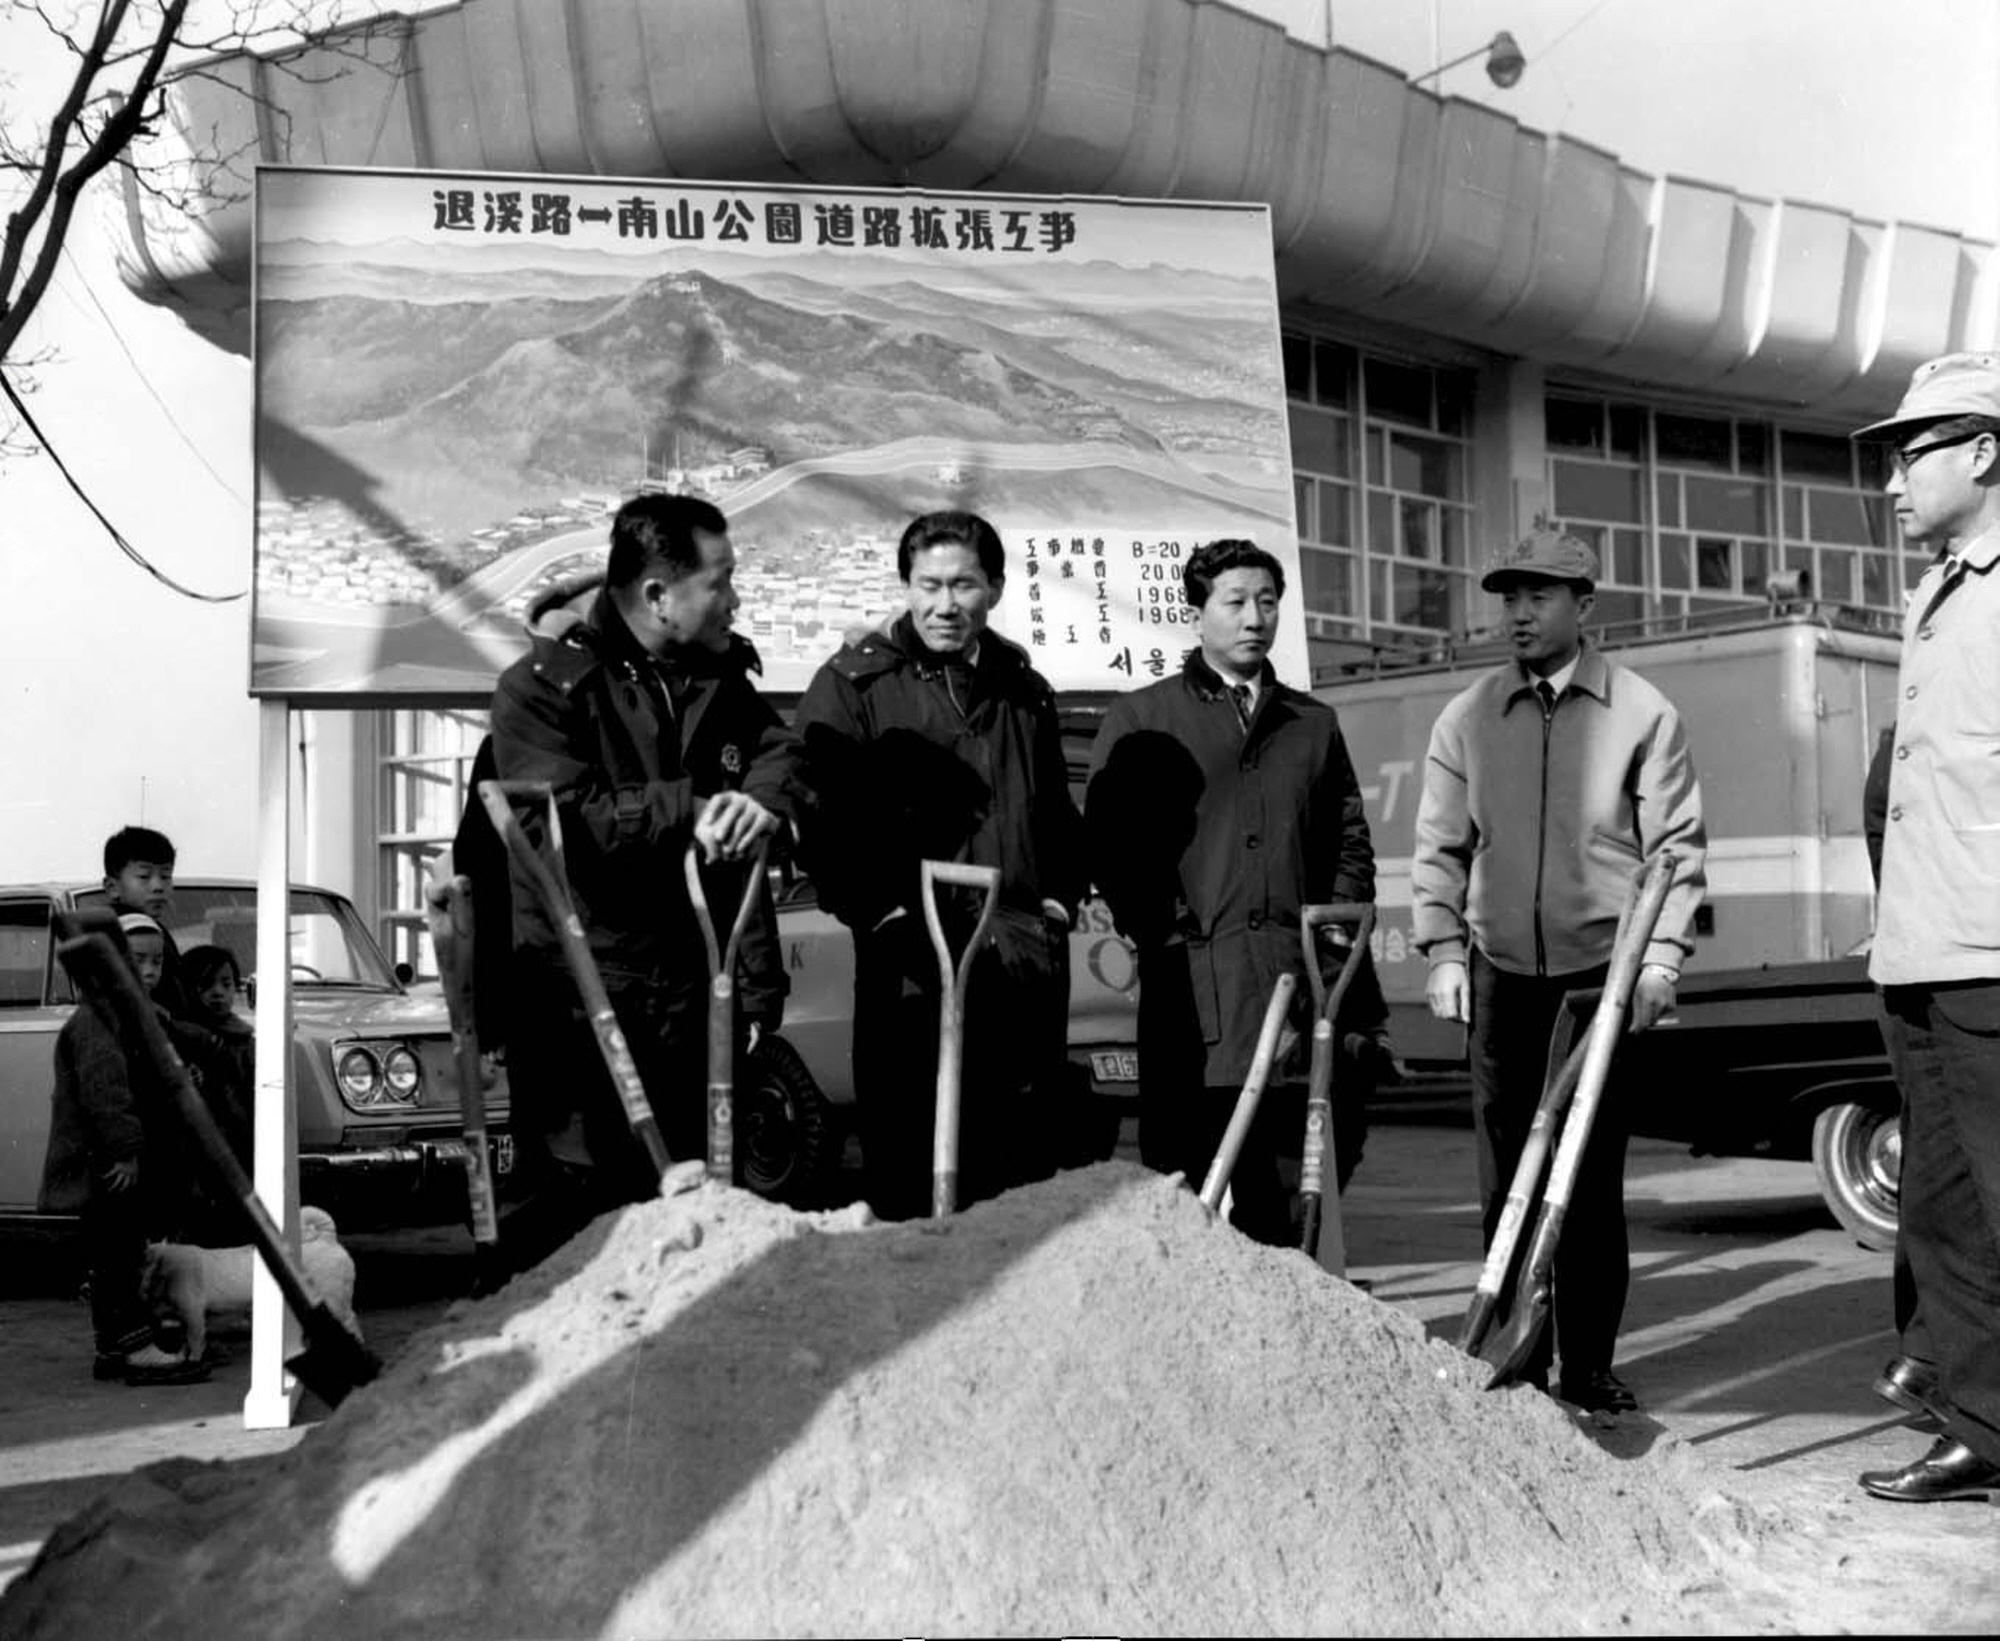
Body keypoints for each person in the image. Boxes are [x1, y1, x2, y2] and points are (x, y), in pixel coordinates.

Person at [1411, 527, 1707, 1412]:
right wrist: (1438, 950)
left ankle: (1586, 1364)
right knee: (1506, 1170)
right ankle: (1519, 1355)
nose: (1519, 613)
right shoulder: (1468, 716)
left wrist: (1659, 960)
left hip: (1599, 982)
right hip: (1499, 970)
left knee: (1587, 1176)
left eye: (1539, 596)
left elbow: (1677, 851)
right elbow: (1440, 843)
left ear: (1585, 606)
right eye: (1509, 597)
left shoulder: (1643, 713)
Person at [486, 494, 805, 1215]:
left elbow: (782, 752)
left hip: (696, 1002)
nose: (734, 597)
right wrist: (687, 811)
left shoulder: (718, 681)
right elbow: (558, 826)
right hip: (589, 1010)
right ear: (659, 594)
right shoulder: (543, 690)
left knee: (694, 1219)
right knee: (589, 1225)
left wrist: (759, 802)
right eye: (719, 580)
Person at [1086, 538, 1380, 1245]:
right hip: (1191, 988)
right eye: (1236, 601)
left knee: (1289, 1195)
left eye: (1268, 601)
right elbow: (1111, 844)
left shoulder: (1311, 725)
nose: (1255, 617)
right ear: (1197, 612)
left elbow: (1348, 840)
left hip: (1296, 980)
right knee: (1187, 1192)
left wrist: (1333, 934)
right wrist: (1159, 928)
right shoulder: (1145, 715)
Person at [793, 509, 1085, 1220]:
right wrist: (881, 912)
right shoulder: (854, 684)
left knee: (1015, 1164)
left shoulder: (1023, 688)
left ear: (995, 588)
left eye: (963, 585)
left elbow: (1052, 811)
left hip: (1018, 953)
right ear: (905, 585)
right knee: (910, 1154)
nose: (944, 604)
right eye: (928, 585)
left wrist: (1057, 901)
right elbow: (818, 815)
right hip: (910, 959)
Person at [1850, 353, 2000, 1504]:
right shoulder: (1942, 585)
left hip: (1989, 957)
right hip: (1921, 948)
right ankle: (1978, 1423)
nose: (1892, 481)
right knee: (1941, 1208)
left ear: (1982, 453)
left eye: (1912, 456)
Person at [39, 913, 209, 1384]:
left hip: (113, 1166)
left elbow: (168, 1039)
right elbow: (105, 1094)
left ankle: (114, 1347)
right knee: (117, 1261)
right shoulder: (95, 1023)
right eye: (137, 962)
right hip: (107, 1167)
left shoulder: (127, 1014)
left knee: (120, 1256)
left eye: (157, 962)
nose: (150, 972)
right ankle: (135, 1348)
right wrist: (126, 1151)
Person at [102, 825, 189, 1017]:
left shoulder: (154, 929)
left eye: (165, 876)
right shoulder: (116, 936)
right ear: (112, 887)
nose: (158, 886)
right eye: (144, 876)